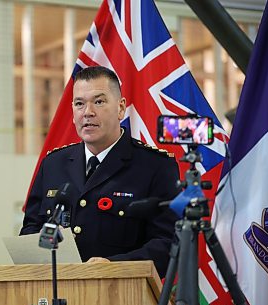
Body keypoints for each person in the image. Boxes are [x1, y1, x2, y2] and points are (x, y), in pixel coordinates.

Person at [20, 66, 180, 277]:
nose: (88, 112)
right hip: (57, 294)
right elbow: (32, 228)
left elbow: (167, 244)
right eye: (79, 104)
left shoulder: (154, 166)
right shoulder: (53, 164)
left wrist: (113, 266)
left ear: (121, 109)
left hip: (122, 294)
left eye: (99, 101)